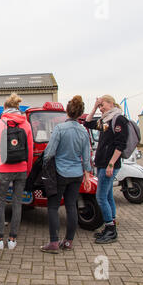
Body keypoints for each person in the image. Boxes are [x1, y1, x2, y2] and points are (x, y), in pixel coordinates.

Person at [40, 95, 92, 254]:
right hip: (76, 174)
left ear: (67, 112)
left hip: (60, 173)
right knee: (71, 206)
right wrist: (87, 175)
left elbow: (49, 152)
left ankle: (54, 242)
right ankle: (68, 241)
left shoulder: (59, 129)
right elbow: (86, 155)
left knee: (53, 207)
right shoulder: (83, 131)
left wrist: (43, 167)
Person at [0, 93, 33, 250]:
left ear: (5, 107)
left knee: (0, 203)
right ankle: (13, 239)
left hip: (3, 168)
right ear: (18, 108)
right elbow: (30, 150)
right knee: (17, 203)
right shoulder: (26, 124)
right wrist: (28, 169)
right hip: (21, 168)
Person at [84, 95, 128, 244]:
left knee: (101, 197)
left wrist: (111, 164)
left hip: (109, 165)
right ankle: (110, 225)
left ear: (111, 104)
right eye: (100, 106)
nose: (101, 108)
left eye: (102, 105)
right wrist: (94, 107)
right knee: (108, 196)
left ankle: (111, 230)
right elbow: (88, 123)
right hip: (102, 164)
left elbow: (120, 145)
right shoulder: (105, 121)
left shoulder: (119, 119)